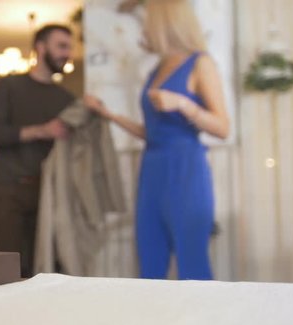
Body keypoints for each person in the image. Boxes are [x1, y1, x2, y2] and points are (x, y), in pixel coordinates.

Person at [84, 0, 230, 280]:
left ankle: (201, 323)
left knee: (192, 262)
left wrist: (183, 104)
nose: (143, 26)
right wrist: (109, 115)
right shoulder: (157, 68)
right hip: (151, 169)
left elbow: (222, 127)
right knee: (150, 260)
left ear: (164, 21)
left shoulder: (200, 62)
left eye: (148, 18)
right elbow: (152, 132)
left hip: (185, 170)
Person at [0, 24, 75, 278]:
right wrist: (41, 131)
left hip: (49, 192)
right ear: (41, 47)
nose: (67, 53)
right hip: (9, 189)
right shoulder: (9, 86)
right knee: (10, 268)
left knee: (47, 268)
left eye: (69, 47)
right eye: (61, 46)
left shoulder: (66, 99)